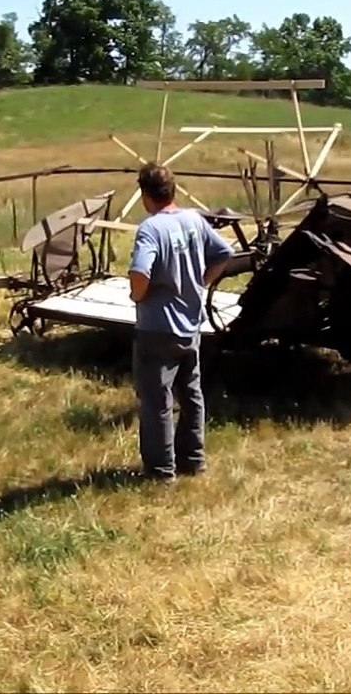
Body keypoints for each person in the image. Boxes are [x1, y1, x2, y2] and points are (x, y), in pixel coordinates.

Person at [127, 163, 234, 483]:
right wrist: (201, 283)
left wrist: (137, 295)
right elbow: (224, 252)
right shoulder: (193, 220)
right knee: (191, 394)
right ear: (172, 190)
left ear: (145, 194)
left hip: (157, 328)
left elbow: (140, 272)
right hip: (190, 324)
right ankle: (193, 459)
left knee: (157, 401)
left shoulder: (151, 229)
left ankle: (161, 472)